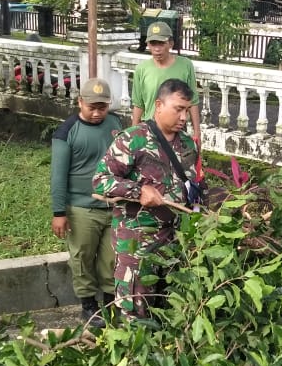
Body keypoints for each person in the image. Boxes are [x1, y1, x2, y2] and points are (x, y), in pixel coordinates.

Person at [92, 78, 199, 321]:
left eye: (187, 110)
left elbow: (193, 187)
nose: (184, 117)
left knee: (170, 310)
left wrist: (202, 211)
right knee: (136, 312)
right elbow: (100, 180)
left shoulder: (187, 145)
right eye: (178, 109)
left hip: (174, 243)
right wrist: (138, 191)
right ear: (159, 105)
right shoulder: (133, 138)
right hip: (137, 243)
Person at [51, 77, 125, 327]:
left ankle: (109, 302)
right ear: (79, 102)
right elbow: (58, 175)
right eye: (91, 107)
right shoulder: (66, 132)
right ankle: (88, 306)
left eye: (102, 107)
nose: (96, 113)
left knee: (111, 258)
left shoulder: (116, 123)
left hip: (113, 205)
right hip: (81, 207)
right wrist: (59, 212)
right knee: (82, 257)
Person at [131, 21, 202, 143]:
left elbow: (193, 101)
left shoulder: (185, 66)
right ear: (147, 44)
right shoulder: (141, 69)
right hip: (150, 130)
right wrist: (133, 134)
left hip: (177, 128)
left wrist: (197, 132)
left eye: (161, 44)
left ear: (171, 43)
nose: (157, 49)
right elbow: (138, 104)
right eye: (153, 44)